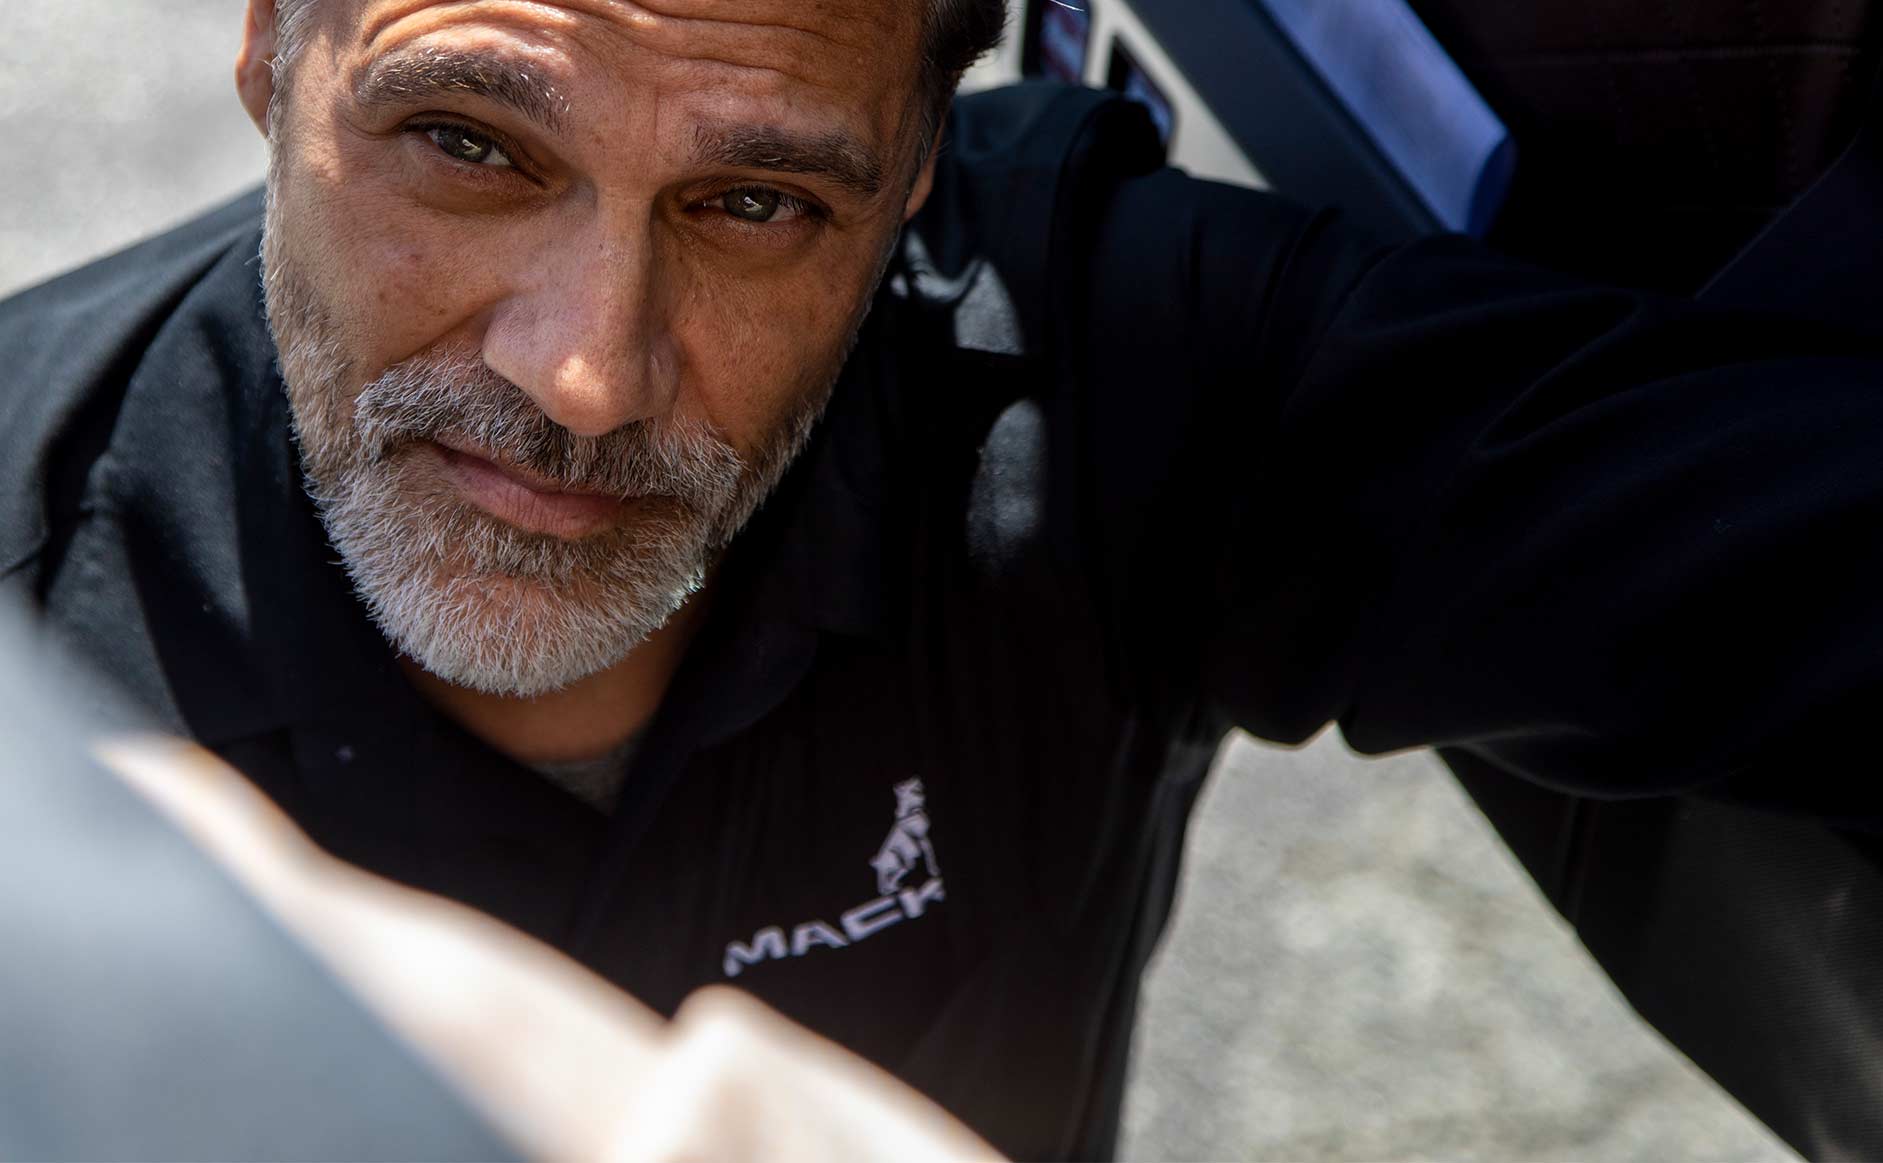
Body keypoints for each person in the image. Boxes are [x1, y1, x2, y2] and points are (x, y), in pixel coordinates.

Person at [7, 0, 1883, 1158]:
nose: (581, 373)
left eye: (755, 206)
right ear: (270, 46)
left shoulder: (1096, 370)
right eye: (467, 147)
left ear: (914, 178)